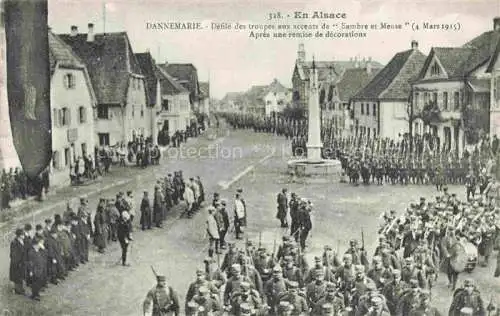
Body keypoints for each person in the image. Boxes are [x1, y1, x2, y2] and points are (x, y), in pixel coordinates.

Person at [9, 228, 26, 295]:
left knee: (20, 275)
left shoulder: (21, 241)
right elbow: (14, 255)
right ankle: (17, 289)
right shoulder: (14, 243)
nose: (24, 235)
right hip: (16, 263)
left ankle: (20, 288)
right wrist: (18, 263)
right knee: (17, 276)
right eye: (22, 234)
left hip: (21, 262)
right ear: (19, 235)